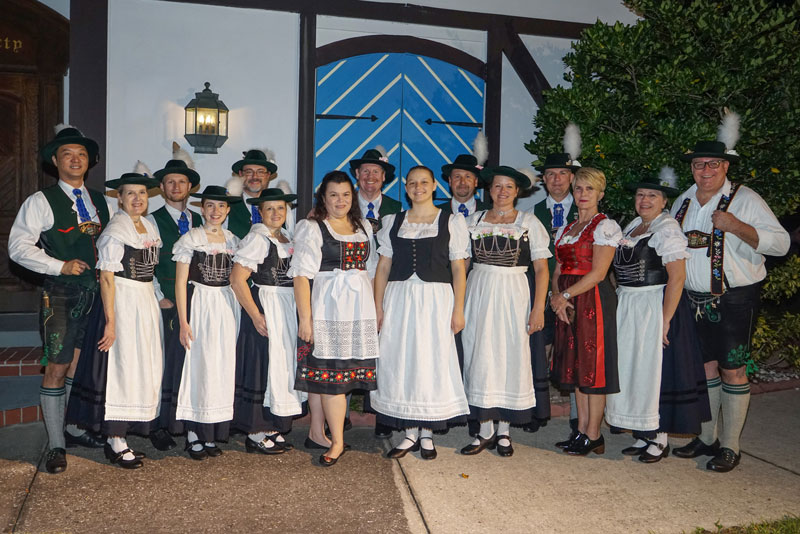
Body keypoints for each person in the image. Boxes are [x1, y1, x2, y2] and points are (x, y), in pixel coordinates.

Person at [669, 133, 790, 472]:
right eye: (698, 164)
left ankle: (731, 446)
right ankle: (707, 437)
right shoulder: (684, 200)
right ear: (691, 169)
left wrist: (737, 227)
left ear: (725, 166)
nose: (705, 170)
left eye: (712, 164)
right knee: (705, 368)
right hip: (693, 299)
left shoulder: (746, 199)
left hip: (735, 299)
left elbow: (780, 244)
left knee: (733, 371)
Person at [8, 125, 109, 474]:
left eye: (81, 154)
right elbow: (18, 247)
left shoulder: (101, 201)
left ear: (89, 161)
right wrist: (59, 265)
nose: (75, 159)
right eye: (67, 154)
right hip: (61, 295)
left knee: (79, 367)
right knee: (57, 366)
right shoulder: (41, 201)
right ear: (55, 161)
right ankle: (55, 445)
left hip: (96, 296)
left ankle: (72, 427)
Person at [604, 170, 710, 463]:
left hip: (654, 304)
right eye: (640, 195)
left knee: (654, 372)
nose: (644, 200)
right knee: (633, 369)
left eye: (652, 195)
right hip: (629, 305)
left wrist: (665, 320)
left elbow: (677, 278)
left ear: (664, 201)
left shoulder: (667, 229)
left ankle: (660, 437)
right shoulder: (634, 225)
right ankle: (643, 431)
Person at [370, 166, 470, 460]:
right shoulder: (393, 221)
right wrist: (378, 305)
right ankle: (409, 431)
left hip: (436, 300)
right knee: (402, 360)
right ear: (406, 187)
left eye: (424, 182)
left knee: (430, 361)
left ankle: (427, 432)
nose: (418, 187)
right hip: (399, 298)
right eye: (413, 183)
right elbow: (383, 266)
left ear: (434, 187)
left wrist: (458, 309)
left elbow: (458, 269)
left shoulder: (451, 222)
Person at [66, 173, 163, 469]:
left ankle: (123, 433)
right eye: (130, 194)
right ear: (119, 198)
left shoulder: (147, 225)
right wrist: (111, 321)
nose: (137, 199)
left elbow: (150, 271)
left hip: (144, 302)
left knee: (141, 367)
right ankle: (115, 440)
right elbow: (107, 277)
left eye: (142, 194)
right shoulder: (116, 230)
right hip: (122, 302)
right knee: (121, 370)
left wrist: (158, 296)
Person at [289, 171, 379, 467]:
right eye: (333, 195)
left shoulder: (363, 226)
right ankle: (338, 442)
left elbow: (374, 270)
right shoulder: (312, 227)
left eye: (345, 195)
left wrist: (377, 309)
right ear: (323, 198)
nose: (340, 201)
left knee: (324, 376)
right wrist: (306, 319)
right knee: (332, 379)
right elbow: (301, 276)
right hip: (328, 310)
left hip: (357, 311)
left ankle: (317, 433)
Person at [459, 166, 551, 457]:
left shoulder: (529, 222)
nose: (502, 192)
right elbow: (460, 263)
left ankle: (504, 431)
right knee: (481, 354)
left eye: (508, 187)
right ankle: (484, 428)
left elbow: (541, 268)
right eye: (497, 186)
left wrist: (538, 308)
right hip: (480, 291)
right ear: (489, 190)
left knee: (510, 356)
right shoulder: (473, 221)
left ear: (517, 191)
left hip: (514, 293)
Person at [550, 167, 622, 456]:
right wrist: (556, 297)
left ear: (600, 194)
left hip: (592, 298)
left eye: (589, 189)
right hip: (568, 300)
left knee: (593, 367)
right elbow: (558, 269)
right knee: (576, 365)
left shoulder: (605, 226)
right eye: (578, 188)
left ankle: (594, 434)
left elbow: (598, 273)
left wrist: (565, 294)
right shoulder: (566, 229)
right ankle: (580, 430)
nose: (582, 194)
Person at [231, 188, 306, 455]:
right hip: (267, 303)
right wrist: (255, 314)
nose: (276, 214)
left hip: (286, 305)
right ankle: (255, 430)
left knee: (280, 366)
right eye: (269, 209)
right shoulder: (258, 238)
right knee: (262, 366)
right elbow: (237, 279)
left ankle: (272, 424)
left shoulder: (288, 237)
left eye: (281, 209)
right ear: (260, 213)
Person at [173, 185, 242, 460]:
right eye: (210, 206)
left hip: (226, 305)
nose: (215, 211)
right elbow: (180, 282)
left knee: (220, 368)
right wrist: (183, 320)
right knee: (198, 367)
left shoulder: (234, 240)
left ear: (227, 210)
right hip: (201, 304)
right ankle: (193, 433)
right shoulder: (191, 238)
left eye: (221, 207)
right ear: (202, 209)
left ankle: (211, 433)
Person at [524, 130, 581, 439]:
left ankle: (577, 414)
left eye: (563, 174)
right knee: (540, 350)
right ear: (543, 179)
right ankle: (537, 407)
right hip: (543, 293)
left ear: (571, 178)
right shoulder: (533, 215)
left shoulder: (585, 210)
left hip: (577, 293)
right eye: (550, 174)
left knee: (576, 351)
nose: (557, 179)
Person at [145, 154, 202, 452]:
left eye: (181, 181)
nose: (176, 186)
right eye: (170, 182)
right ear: (162, 188)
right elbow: (146, 263)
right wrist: (158, 297)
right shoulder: (152, 221)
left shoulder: (202, 219)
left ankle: (189, 423)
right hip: (168, 298)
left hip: (199, 300)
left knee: (192, 363)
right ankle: (159, 424)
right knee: (164, 363)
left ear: (190, 186)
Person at [348, 147, 401, 438]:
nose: (370, 177)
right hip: (350, 288)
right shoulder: (343, 204)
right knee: (345, 348)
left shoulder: (396, 208)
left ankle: (383, 413)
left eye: (376, 173)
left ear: (384, 178)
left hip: (385, 286)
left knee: (384, 350)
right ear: (357, 175)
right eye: (365, 171)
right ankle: (340, 414)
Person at [227, 149, 277, 238]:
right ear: (241, 174)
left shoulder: (282, 209)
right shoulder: (226, 207)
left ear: (268, 175)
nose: (255, 176)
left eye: (260, 172)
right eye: (249, 172)